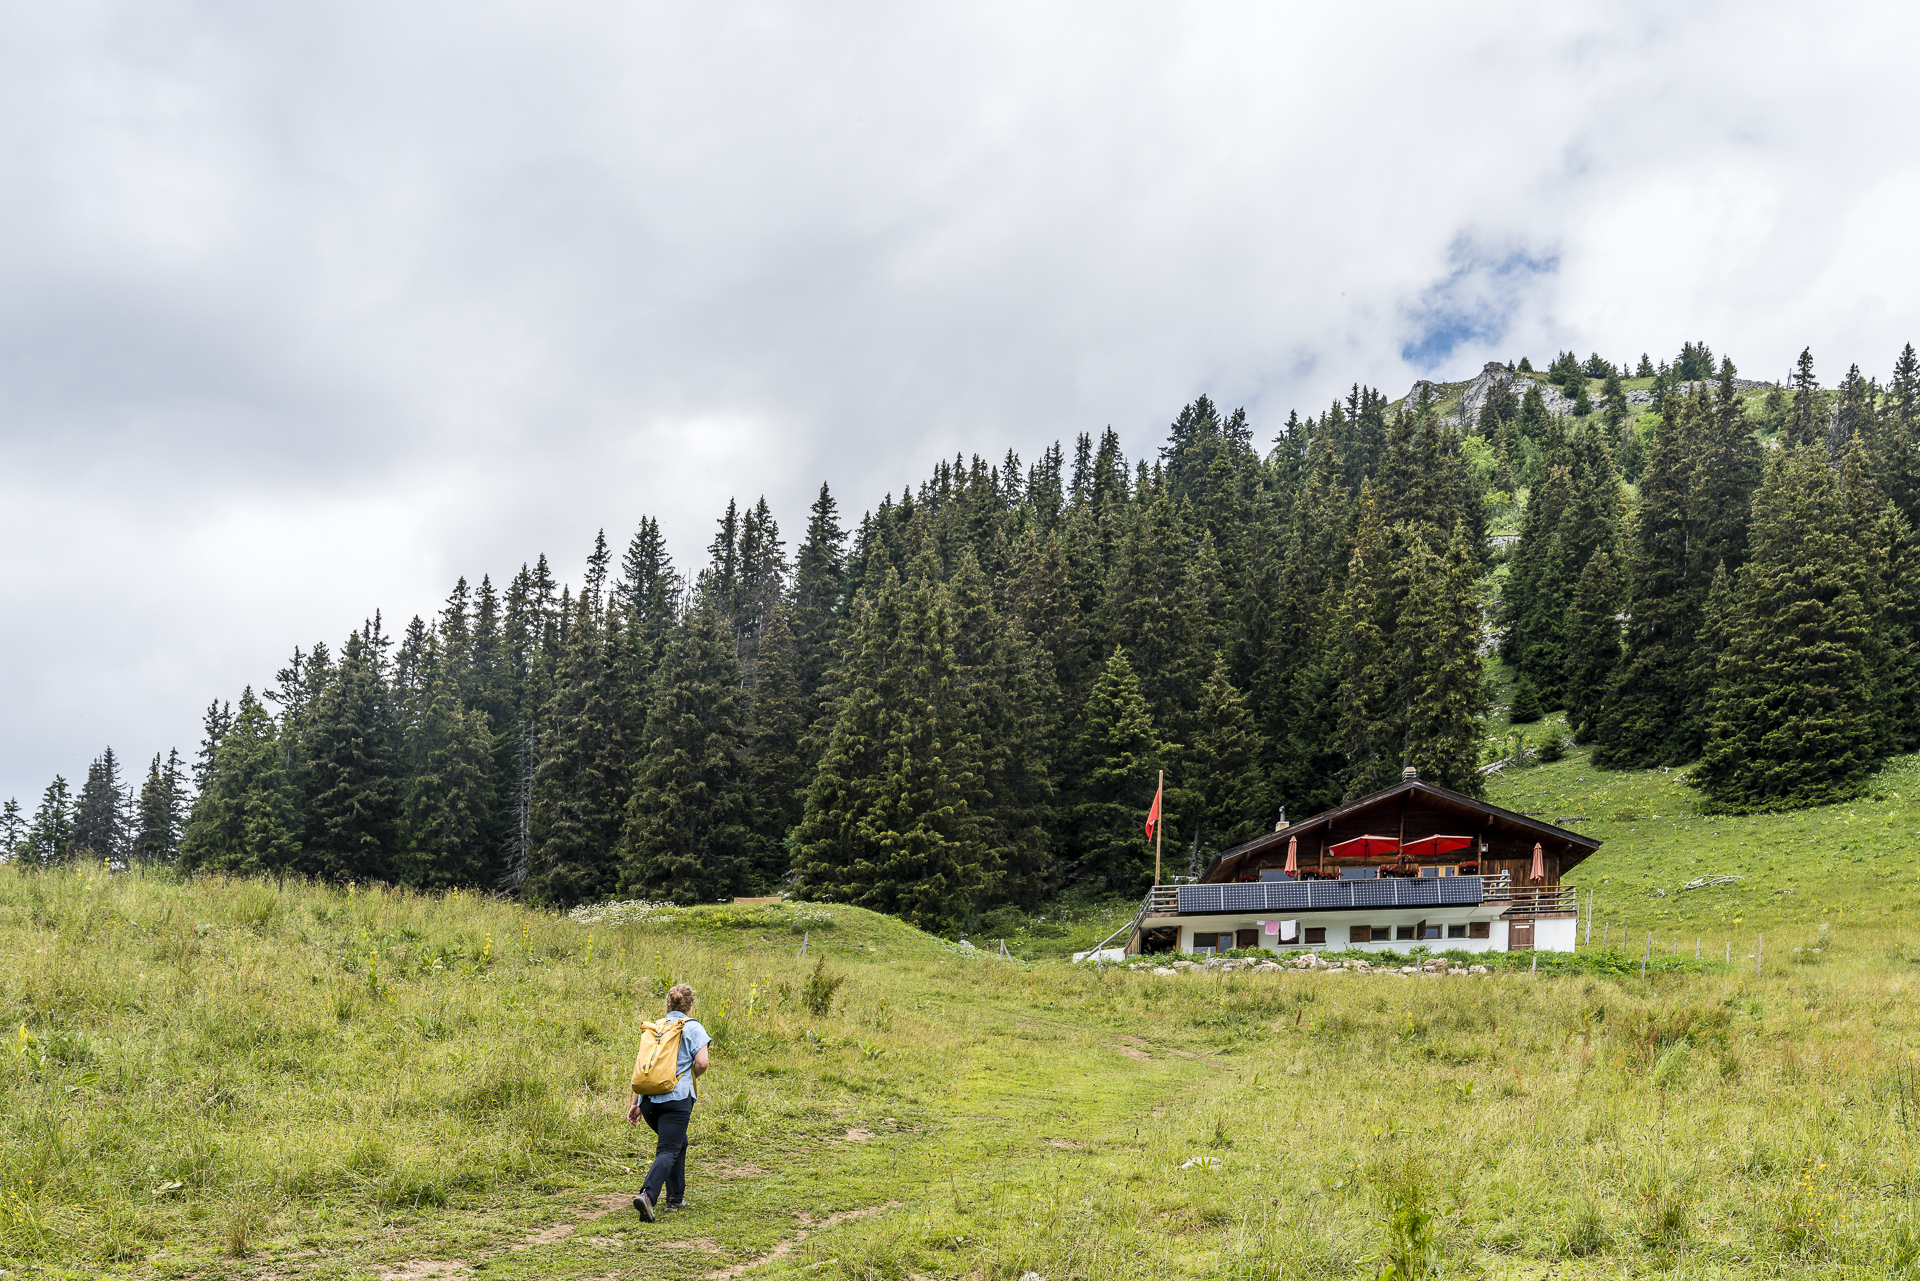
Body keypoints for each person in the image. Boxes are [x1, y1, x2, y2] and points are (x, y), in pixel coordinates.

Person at [629, 983, 711, 1221]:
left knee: (678, 1143)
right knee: (668, 1149)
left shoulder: (655, 1027)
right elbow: (703, 1062)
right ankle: (647, 1195)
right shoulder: (692, 1027)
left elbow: (643, 1068)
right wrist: (689, 1076)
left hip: (648, 1102)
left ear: (668, 1003)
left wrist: (635, 1103)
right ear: (690, 1004)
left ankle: (674, 1199)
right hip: (675, 1099)